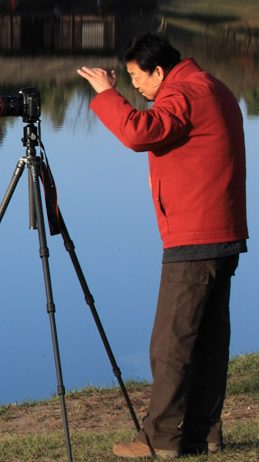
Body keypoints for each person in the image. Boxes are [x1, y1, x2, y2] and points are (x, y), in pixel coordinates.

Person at [77, 33, 248, 459]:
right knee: (207, 339)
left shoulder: (185, 92)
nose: (136, 87)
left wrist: (105, 94)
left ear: (159, 70)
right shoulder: (211, 86)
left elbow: (141, 133)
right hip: (221, 230)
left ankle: (161, 439)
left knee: (171, 342)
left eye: (138, 78)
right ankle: (203, 433)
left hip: (196, 233)